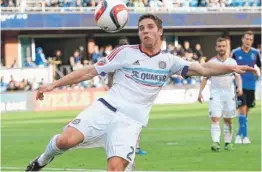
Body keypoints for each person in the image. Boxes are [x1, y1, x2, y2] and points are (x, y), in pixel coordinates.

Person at [25, 14, 257, 171]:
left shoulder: (170, 61)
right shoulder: (125, 52)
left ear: (160, 32)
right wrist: (54, 84)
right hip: (105, 108)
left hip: (130, 121)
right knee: (65, 140)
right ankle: (42, 160)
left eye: (149, 27)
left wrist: (231, 67)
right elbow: (89, 72)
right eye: (140, 28)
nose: (144, 31)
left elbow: (204, 68)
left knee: (115, 168)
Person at [198, 37, 242, 152]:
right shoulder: (211, 62)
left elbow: (238, 76)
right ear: (216, 47)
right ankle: (216, 142)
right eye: (219, 46)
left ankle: (228, 143)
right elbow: (205, 78)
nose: (221, 48)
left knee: (228, 120)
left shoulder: (232, 62)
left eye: (223, 46)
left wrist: (239, 87)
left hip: (229, 94)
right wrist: (200, 92)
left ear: (226, 47)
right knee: (215, 118)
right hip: (215, 94)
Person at [108, 36, 147, 156]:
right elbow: (110, 74)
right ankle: (116, 145)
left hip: (133, 94)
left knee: (137, 120)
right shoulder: (115, 59)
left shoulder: (134, 57)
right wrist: (111, 89)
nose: (124, 46)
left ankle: (136, 146)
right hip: (119, 94)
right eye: (122, 44)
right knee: (119, 121)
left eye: (126, 44)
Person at [232, 31, 261, 144]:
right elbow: (231, 66)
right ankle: (245, 137)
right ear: (242, 39)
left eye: (250, 39)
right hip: (239, 85)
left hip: (251, 85)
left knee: (246, 112)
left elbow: (259, 65)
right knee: (242, 109)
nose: (248, 41)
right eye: (247, 39)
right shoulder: (235, 52)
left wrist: (258, 76)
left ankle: (239, 134)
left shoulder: (255, 52)